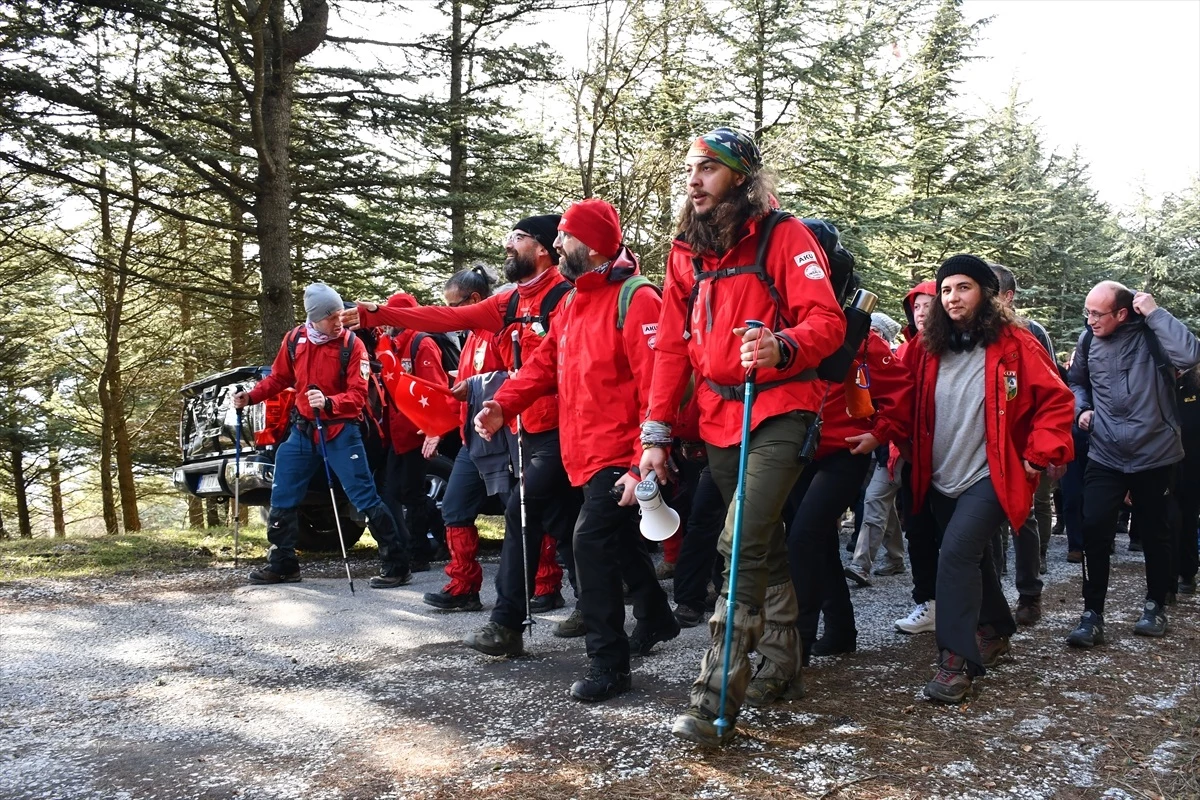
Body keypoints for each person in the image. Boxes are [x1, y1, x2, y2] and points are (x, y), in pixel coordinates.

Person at [639, 127, 846, 746]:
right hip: (716, 415)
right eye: (690, 170)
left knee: (738, 542)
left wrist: (782, 345)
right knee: (763, 541)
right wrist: (655, 430)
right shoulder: (685, 254)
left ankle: (713, 698)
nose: (694, 180)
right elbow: (672, 349)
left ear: (740, 177)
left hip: (779, 407)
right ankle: (783, 666)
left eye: (708, 169)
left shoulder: (785, 235)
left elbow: (827, 322)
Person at [476, 198, 678, 701]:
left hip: (620, 455)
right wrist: (503, 405)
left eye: (565, 237)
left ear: (588, 247)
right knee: (614, 545)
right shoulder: (570, 303)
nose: (558, 244)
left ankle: (609, 665)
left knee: (590, 545)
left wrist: (639, 464)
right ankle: (656, 617)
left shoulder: (638, 298)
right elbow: (543, 367)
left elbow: (656, 388)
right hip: (579, 454)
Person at [344, 215, 585, 636]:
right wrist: (375, 313)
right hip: (518, 429)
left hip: (563, 429)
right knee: (550, 519)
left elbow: (562, 368)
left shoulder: (567, 298)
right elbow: (444, 319)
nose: (508, 244)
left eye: (519, 237)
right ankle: (527, 614)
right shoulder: (507, 304)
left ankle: (536, 615)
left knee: (552, 520)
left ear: (544, 248)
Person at [907, 255, 1074, 703]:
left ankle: (955, 662)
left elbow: (1057, 401)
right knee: (971, 558)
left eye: (963, 287)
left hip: (993, 474)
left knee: (956, 554)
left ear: (984, 293)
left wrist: (1038, 456)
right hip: (941, 473)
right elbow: (894, 392)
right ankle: (997, 627)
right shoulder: (926, 346)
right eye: (945, 290)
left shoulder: (1015, 343)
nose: (952, 297)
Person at [234, 283, 411, 588]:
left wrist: (329, 402)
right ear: (314, 318)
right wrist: (250, 397)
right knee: (283, 493)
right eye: (331, 317)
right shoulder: (294, 340)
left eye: (340, 314)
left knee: (364, 495)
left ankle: (397, 564)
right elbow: (279, 377)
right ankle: (283, 564)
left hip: (343, 431)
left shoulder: (352, 345)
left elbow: (358, 395)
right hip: (302, 431)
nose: (338, 321)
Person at [1066, 282, 1200, 647]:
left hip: (1155, 452)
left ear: (1122, 313)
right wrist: (1083, 409)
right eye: (1087, 312)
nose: (1090, 320)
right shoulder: (1088, 341)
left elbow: (1189, 356)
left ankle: (1156, 604)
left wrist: (1155, 312)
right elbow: (1077, 382)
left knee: (1156, 531)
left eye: (1098, 313)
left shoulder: (1153, 335)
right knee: (1094, 527)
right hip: (1105, 451)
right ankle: (1092, 614)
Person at [786, 326, 913, 662]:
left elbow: (901, 392)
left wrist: (878, 433)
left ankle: (796, 646)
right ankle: (841, 630)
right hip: (798, 452)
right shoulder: (789, 328)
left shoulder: (862, 338)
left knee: (803, 539)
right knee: (819, 541)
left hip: (846, 453)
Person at [421, 266, 511, 612]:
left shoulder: (500, 329)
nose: (450, 315)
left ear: (475, 300)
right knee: (455, 508)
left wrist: (474, 385)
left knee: (523, 512)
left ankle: (545, 583)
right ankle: (463, 586)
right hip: (471, 442)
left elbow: (517, 376)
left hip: (502, 440)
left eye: (454, 306)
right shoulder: (471, 335)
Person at [991, 263, 1057, 625]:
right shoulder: (971, 332)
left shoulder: (1031, 333)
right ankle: (996, 593)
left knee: (1024, 515)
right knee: (991, 520)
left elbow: (1050, 391)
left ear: (1007, 295)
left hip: (1024, 442)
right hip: (988, 444)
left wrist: (1042, 447)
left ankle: (1030, 592)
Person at [375, 292, 450, 572]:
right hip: (397, 432)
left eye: (389, 317)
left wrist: (433, 430)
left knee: (412, 492)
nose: (386, 323)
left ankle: (420, 550)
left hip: (418, 432)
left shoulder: (422, 343)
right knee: (397, 492)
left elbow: (437, 388)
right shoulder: (390, 346)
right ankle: (436, 537)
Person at [891, 281, 941, 635]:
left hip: (956, 459)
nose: (921, 312)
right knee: (919, 532)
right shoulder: (908, 351)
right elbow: (894, 401)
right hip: (916, 461)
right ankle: (929, 602)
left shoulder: (963, 348)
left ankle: (981, 608)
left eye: (928, 305)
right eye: (916, 307)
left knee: (961, 538)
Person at [845, 312, 907, 584]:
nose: (873, 335)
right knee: (881, 503)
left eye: (878, 331)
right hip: (876, 449)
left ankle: (861, 565)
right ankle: (894, 558)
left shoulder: (889, 360)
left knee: (875, 500)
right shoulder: (861, 358)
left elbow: (896, 403)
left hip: (893, 449)